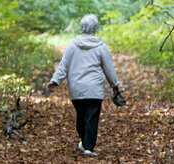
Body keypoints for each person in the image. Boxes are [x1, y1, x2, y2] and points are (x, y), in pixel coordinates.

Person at [46, 14, 121, 157]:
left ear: (82, 27)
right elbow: (109, 69)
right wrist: (115, 86)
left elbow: (64, 65)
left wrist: (55, 81)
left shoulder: (73, 44)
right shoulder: (101, 46)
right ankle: (88, 146)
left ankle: (86, 144)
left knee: (81, 116)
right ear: (95, 28)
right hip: (94, 89)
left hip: (76, 89)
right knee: (91, 117)